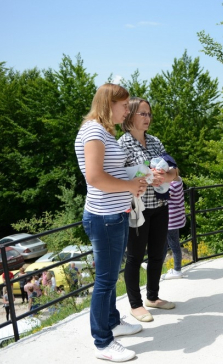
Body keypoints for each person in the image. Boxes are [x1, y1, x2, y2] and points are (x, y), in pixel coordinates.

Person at [75, 83, 145, 362]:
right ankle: (103, 341)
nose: (127, 111)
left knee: (111, 275)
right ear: (108, 104)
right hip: (104, 217)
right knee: (105, 281)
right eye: (124, 105)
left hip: (114, 215)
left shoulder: (103, 131)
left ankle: (113, 321)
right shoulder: (93, 131)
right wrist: (129, 185)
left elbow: (108, 172)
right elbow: (94, 178)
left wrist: (133, 181)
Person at [118, 97, 177, 323]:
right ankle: (136, 304)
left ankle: (153, 296)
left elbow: (174, 171)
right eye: (142, 114)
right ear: (130, 115)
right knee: (134, 257)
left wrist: (166, 175)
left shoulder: (154, 141)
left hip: (160, 205)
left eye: (149, 114)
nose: (147, 118)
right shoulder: (122, 144)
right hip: (137, 208)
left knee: (157, 255)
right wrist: (143, 176)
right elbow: (118, 176)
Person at [161, 167, 187, 280]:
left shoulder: (172, 186)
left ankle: (177, 270)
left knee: (174, 246)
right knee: (163, 244)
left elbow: (162, 195)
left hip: (171, 221)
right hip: (175, 219)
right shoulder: (178, 181)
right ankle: (156, 265)